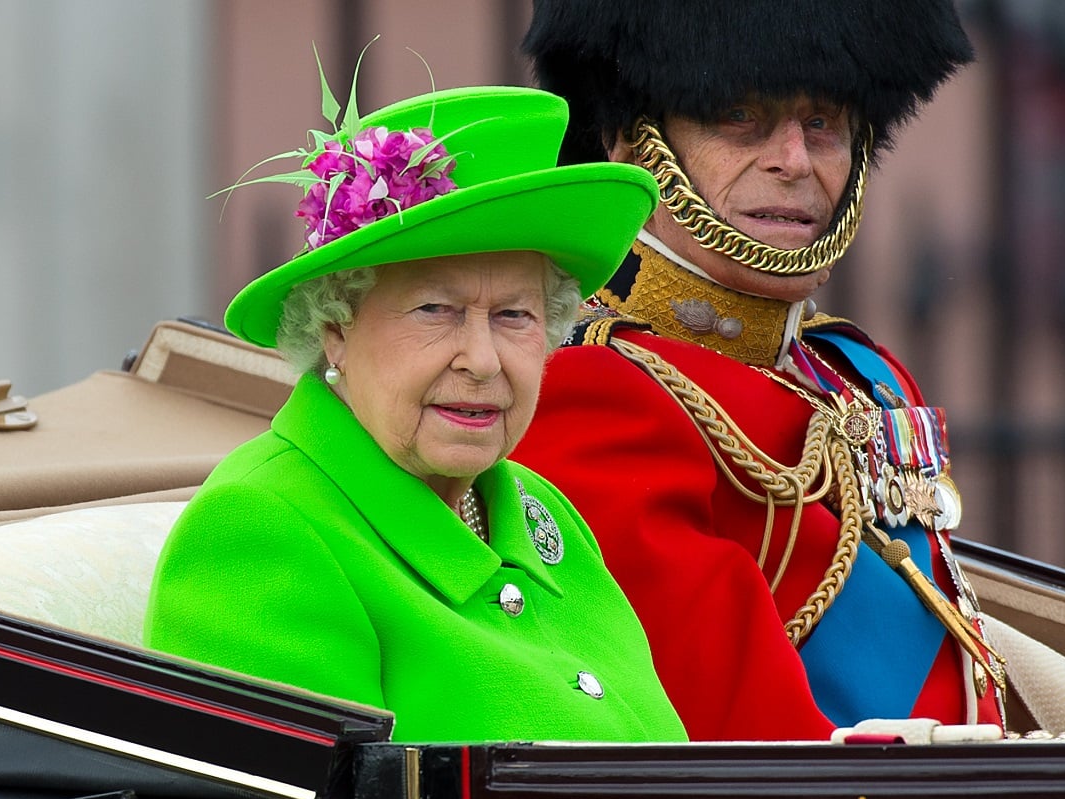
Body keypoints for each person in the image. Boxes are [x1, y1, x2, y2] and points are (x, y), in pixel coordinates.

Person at [511, 0, 1009, 741]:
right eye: (738, 116)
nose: (794, 160)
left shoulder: (854, 369)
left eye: (823, 123)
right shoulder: (597, 387)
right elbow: (731, 735)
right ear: (627, 140)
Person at [143, 78, 688, 744]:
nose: (482, 360)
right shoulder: (261, 529)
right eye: (437, 310)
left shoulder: (542, 512)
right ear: (334, 326)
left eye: (514, 315)